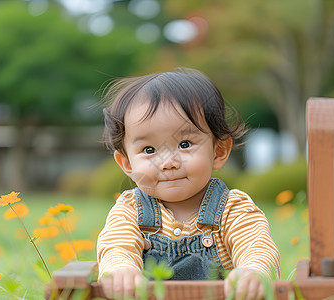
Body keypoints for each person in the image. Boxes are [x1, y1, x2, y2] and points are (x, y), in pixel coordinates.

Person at [97, 68, 280, 299]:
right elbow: (116, 245)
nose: (168, 163)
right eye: (149, 150)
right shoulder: (130, 210)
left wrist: (253, 271)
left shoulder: (233, 208)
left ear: (219, 151)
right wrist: (121, 269)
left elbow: (257, 246)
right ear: (127, 163)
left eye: (184, 144)